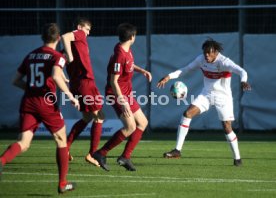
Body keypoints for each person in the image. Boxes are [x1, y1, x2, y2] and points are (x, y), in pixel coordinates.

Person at [0, 23, 79, 193]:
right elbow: (56, 76)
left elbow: (16, 80)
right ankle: (62, 183)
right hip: (46, 103)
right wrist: (71, 96)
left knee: (24, 142)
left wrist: (31, 89)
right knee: (61, 140)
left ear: (42, 37)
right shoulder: (58, 56)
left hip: (28, 101)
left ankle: (1, 161)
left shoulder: (31, 55)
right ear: (58, 39)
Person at [157, 38, 251, 166]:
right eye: (205, 52)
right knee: (187, 114)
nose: (206, 55)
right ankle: (177, 150)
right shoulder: (201, 59)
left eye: (209, 52)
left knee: (227, 127)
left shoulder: (224, 62)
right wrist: (169, 76)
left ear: (216, 52)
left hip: (223, 98)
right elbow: (185, 69)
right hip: (206, 94)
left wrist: (243, 81)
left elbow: (242, 71)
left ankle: (237, 158)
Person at [92, 23, 152, 171]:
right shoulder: (120, 54)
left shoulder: (126, 50)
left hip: (126, 93)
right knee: (130, 126)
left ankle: (125, 157)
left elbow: (129, 65)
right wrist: (122, 101)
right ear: (132, 37)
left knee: (142, 122)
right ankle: (101, 153)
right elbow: (114, 81)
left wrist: (141, 70)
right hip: (116, 94)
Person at [61, 17, 104, 167]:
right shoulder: (78, 35)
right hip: (85, 83)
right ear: (79, 27)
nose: (87, 33)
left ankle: (65, 147)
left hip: (77, 84)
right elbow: (64, 36)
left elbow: (57, 64)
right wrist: (71, 56)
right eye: (87, 30)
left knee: (87, 117)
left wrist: (64, 78)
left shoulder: (73, 45)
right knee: (99, 117)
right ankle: (92, 154)